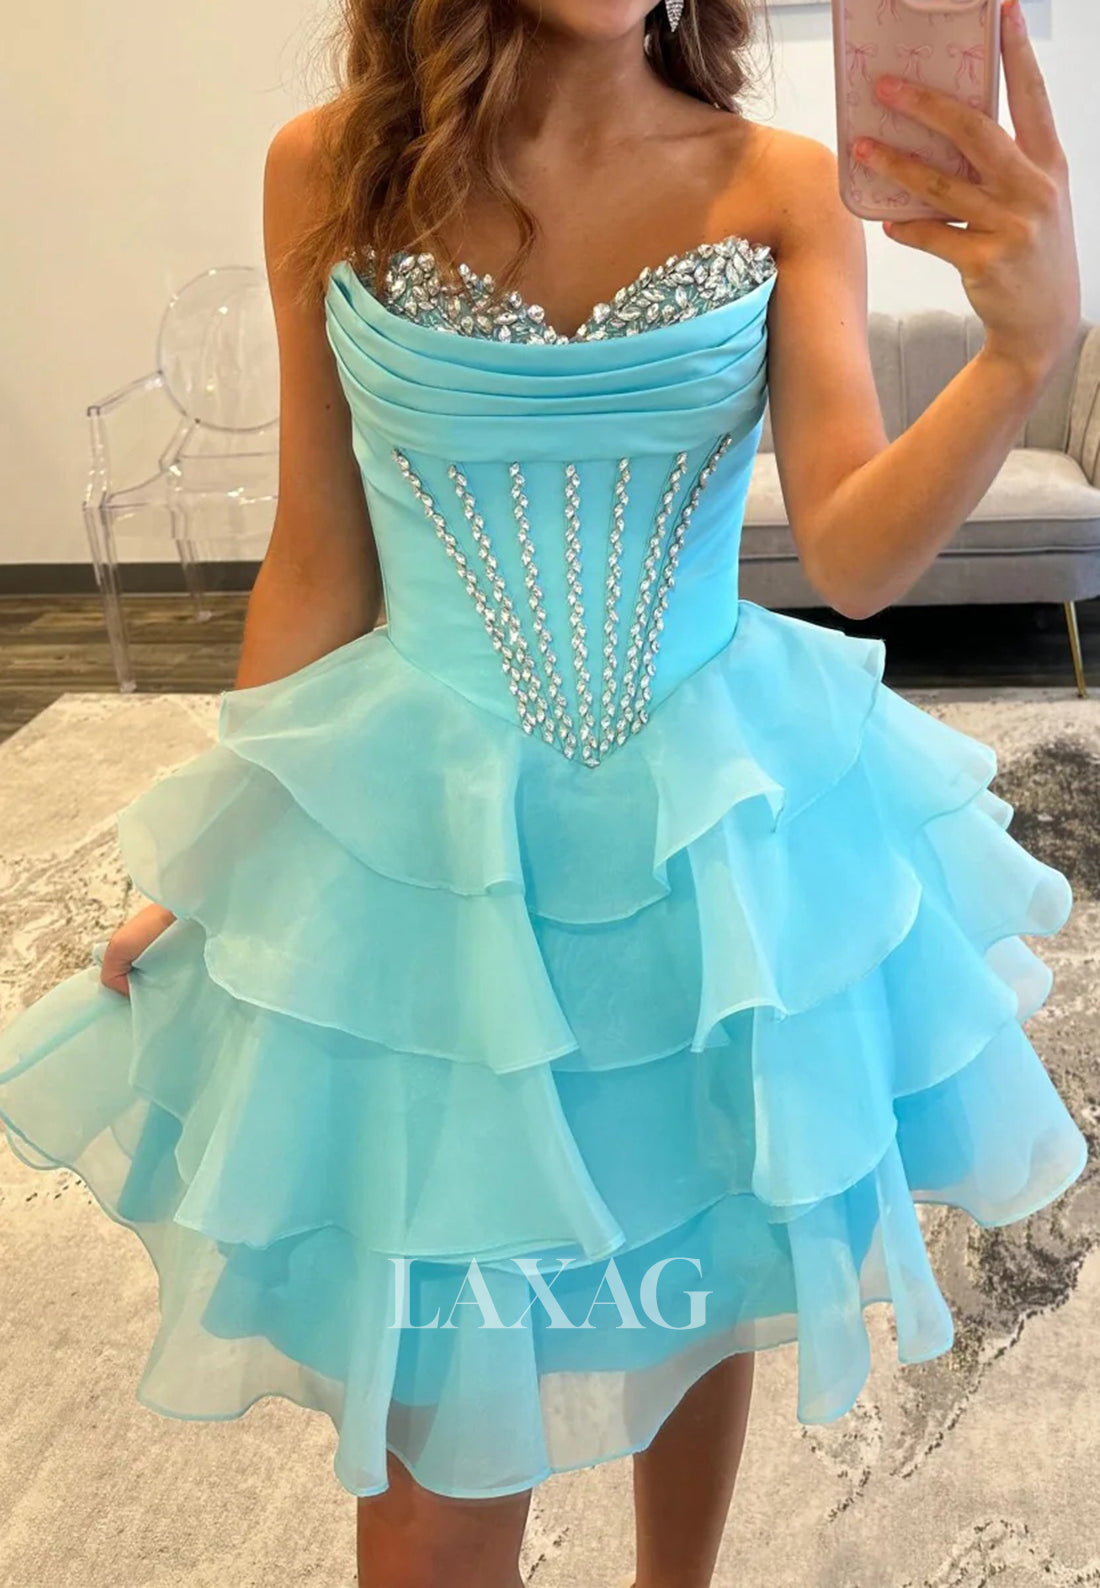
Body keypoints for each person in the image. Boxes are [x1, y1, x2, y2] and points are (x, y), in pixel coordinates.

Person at [0, 2, 1088, 1586]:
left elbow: (854, 553)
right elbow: (319, 553)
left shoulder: (779, 183)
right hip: (435, 864)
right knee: (435, 1458)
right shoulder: (328, 169)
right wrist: (232, 837)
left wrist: (1019, 353)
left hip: (703, 850)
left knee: (696, 1247)